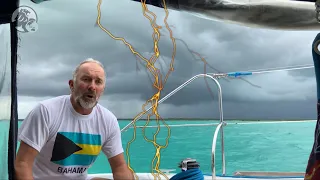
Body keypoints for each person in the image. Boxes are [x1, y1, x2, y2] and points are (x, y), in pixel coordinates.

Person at [14, 58, 134, 180]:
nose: (92, 86)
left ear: (102, 90)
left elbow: (119, 166)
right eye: (86, 79)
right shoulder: (46, 111)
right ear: (72, 85)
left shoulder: (108, 120)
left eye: (98, 82)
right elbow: (22, 164)